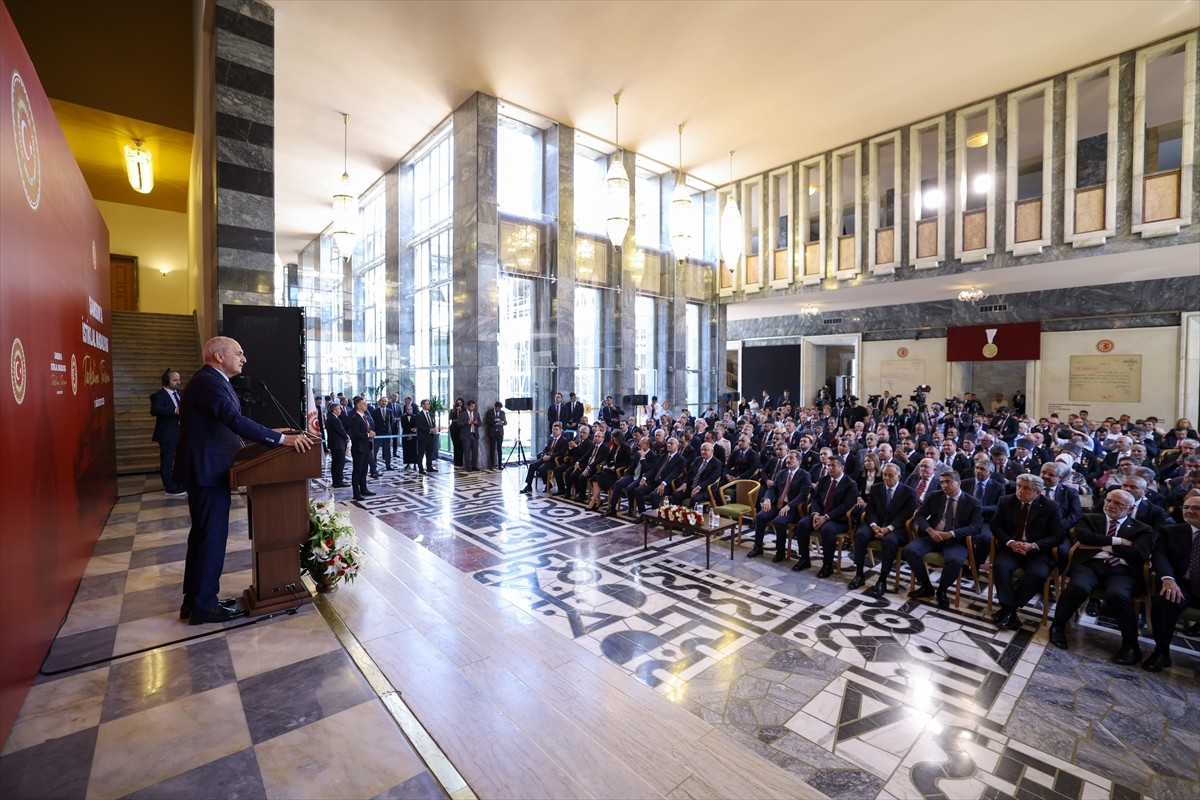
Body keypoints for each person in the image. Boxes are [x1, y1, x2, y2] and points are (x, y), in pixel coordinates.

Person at [174, 337, 312, 625]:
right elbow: (233, 419)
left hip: (207, 470)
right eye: (238, 353)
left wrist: (268, 433)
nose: (244, 358)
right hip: (207, 472)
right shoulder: (209, 381)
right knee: (209, 539)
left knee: (203, 539)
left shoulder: (210, 380)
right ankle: (203, 605)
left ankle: (197, 599)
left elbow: (223, 426)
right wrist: (281, 439)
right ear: (218, 355)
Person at [1048, 489, 1153, 665]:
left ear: (1130, 508)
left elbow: (1139, 553)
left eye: (1118, 503)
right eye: (1109, 500)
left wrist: (1101, 544)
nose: (1110, 505)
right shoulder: (1091, 518)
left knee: (1117, 595)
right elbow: (1082, 536)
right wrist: (1117, 542)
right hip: (1091, 565)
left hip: (1121, 570)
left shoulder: (1142, 529)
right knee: (1077, 587)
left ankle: (1130, 645)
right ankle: (1057, 626)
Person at [989, 474, 1066, 630]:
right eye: (1018, 486)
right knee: (1000, 566)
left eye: (1025, 488)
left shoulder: (1051, 506)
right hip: (1012, 547)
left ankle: (1009, 609)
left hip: (1037, 551)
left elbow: (1058, 536)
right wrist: (1010, 542)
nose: (1019, 491)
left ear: (1037, 492)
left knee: (1038, 574)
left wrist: (1033, 546)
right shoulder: (1006, 501)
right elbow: (995, 527)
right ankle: (1009, 611)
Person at [904, 470, 983, 609]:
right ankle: (926, 586)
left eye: (948, 482)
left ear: (959, 483)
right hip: (933, 535)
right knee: (910, 550)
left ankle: (942, 590)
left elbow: (975, 527)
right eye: (942, 482)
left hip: (955, 540)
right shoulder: (935, 496)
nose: (944, 486)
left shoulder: (973, 502)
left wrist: (952, 533)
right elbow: (920, 515)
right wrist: (930, 530)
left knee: (955, 560)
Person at [1143, 491, 1200, 672]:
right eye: (1187, 507)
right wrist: (1168, 579)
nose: (1189, 511)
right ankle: (1161, 652)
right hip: (1181, 584)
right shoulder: (1170, 531)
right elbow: (1160, 556)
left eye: (1196, 508)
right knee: (1164, 601)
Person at [848, 463, 916, 597]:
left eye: (891, 475)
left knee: (890, 541)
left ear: (899, 476)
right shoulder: (876, 488)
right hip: (875, 524)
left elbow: (905, 516)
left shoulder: (909, 492)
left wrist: (888, 529)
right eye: (884, 475)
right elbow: (870, 510)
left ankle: (882, 579)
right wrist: (873, 526)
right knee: (860, 534)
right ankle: (859, 574)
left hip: (896, 528)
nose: (886, 478)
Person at [150, 368, 186, 497]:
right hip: (167, 434)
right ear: (166, 381)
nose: (178, 382)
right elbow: (155, 410)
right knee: (167, 461)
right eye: (175, 380)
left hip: (182, 433)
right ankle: (169, 486)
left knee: (182, 460)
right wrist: (174, 410)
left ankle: (181, 483)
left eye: (179, 379)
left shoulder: (182, 393)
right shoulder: (158, 396)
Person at [348, 396, 376, 500]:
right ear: (358, 405)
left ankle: (364, 489)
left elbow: (370, 427)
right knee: (357, 471)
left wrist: (371, 433)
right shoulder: (355, 418)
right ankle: (356, 493)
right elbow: (355, 434)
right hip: (359, 448)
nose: (366, 405)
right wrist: (368, 434)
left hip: (367, 447)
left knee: (364, 470)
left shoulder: (365, 417)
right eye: (364, 404)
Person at [325, 402, 349, 488]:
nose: (340, 411)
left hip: (334, 444)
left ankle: (336, 481)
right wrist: (346, 437)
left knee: (335, 463)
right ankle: (339, 481)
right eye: (339, 409)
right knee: (339, 463)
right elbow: (340, 430)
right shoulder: (334, 419)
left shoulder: (330, 418)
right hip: (338, 444)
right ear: (334, 410)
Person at [368, 395, 392, 475]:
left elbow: (392, 422)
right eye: (382, 401)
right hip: (377, 434)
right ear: (379, 402)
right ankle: (373, 466)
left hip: (387, 434)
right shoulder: (375, 411)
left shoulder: (389, 411)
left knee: (388, 450)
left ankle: (388, 465)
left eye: (385, 401)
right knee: (375, 450)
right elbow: (372, 422)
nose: (384, 403)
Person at [459, 399, 481, 471]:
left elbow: (480, 423)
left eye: (474, 406)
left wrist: (476, 422)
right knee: (467, 452)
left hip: (474, 435)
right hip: (466, 436)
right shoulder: (462, 414)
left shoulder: (476, 413)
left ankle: (474, 466)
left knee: (475, 451)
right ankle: (468, 466)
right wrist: (466, 422)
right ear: (468, 406)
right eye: (472, 406)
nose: (473, 408)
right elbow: (458, 424)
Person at [484, 401, 507, 470]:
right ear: (495, 407)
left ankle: (500, 464)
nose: (499, 409)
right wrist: (495, 421)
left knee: (499, 449)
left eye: (500, 408)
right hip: (492, 432)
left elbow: (505, 422)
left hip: (500, 433)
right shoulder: (490, 412)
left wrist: (501, 422)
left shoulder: (502, 413)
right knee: (492, 448)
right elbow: (487, 422)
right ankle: (492, 464)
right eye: (498, 408)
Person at [448, 397, 466, 467]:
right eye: (458, 403)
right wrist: (456, 411)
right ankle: (456, 461)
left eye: (460, 403)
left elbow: (461, 419)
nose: (459, 404)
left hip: (461, 429)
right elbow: (451, 418)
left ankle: (460, 461)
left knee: (461, 445)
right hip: (454, 429)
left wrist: (459, 411)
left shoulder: (464, 411)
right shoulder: (453, 410)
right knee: (456, 445)